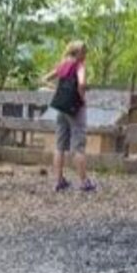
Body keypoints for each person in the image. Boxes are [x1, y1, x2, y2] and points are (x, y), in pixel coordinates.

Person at [45, 40, 96, 192]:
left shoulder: (63, 65)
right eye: (84, 52)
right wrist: (82, 97)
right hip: (75, 109)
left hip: (61, 108)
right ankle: (84, 182)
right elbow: (81, 83)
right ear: (79, 53)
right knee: (78, 146)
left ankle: (59, 181)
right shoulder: (79, 66)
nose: (85, 55)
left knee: (60, 146)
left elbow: (45, 78)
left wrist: (57, 90)